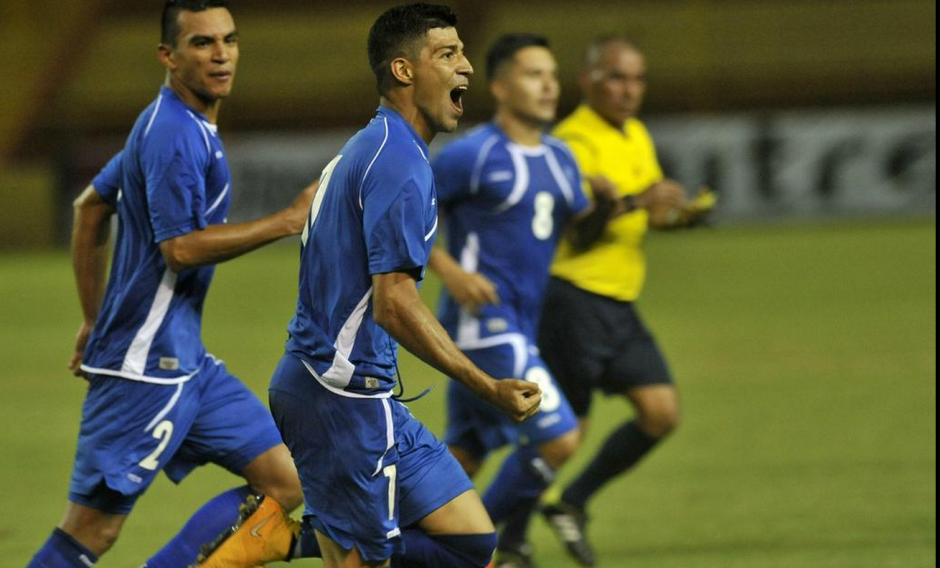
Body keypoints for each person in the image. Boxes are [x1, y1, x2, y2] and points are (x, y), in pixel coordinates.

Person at [200, 5, 540, 568]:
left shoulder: (375, 145)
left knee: (472, 543)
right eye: (448, 54)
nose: (467, 68)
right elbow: (394, 305)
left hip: (359, 392)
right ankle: (291, 540)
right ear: (404, 71)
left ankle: (284, 539)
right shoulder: (398, 163)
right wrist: (488, 387)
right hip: (339, 398)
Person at [26, 2, 318, 566]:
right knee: (91, 531)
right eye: (203, 43)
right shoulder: (172, 135)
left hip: (185, 363)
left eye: (229, 40)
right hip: (141, 368)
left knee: (285, 482)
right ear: (168, 55)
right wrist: (287, 220)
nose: (222, 54)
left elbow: (89, 208)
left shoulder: (173, 122)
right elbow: (179, 249)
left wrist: (93, 317)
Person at [428, 34, 618, 568]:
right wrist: (450, 270)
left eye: (552, 75)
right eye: (534, 74)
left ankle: (369, 541)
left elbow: (580, 236)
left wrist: (603, 206)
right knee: (559, 438)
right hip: (482, 325)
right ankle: (472, 554)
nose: (548, 85)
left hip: (519, 325)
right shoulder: (471, 154)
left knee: (459, 461)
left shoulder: (561, 158)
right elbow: (403, 213)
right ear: (500, 86)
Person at [533, 35, 715, 566]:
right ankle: (509, 531)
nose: (629, 89)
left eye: (637, 78)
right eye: (617, 76)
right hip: (572, 297)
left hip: (617, 301)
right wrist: (639, 200)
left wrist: (680, 216)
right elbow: (575, 231)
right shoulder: (572, 142)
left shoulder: (635, 134)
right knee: (565, 434)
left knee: (661, 413)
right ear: (588, 81)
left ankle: (571, 503)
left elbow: (648, 216)